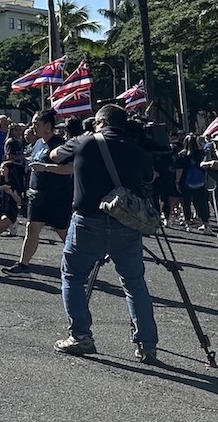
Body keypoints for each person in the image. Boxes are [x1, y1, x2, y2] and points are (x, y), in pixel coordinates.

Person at [54, 104, 158, 362]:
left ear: (99, 122)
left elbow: (55, 155)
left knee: (74, 276)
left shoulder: (86, 142)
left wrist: (85, 135)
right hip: (126, 222)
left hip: (88, 221)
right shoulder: (135, 148)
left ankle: (80, 335)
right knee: (134, 284)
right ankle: (147, 344)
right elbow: (150, 177)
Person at [3, 109, 72, 277]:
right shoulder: (38, 143)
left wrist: (46, 167)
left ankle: (83, 262)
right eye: (33, 123)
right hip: (37, 195)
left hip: (56, 196)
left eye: (37, 124)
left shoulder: (60, 144)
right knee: (31, 228)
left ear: (48, 126)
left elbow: (70, 169)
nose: (33, 126)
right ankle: (23, 265)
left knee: (62, 231)